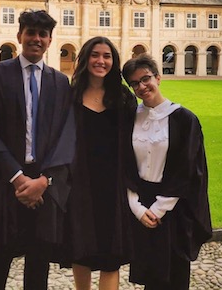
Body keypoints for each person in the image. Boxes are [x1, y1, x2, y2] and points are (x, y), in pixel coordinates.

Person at [0, 9, 75, 290]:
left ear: (49, 40)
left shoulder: (60, 82)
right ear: (19, 35)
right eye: (31, 33)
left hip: (43, 185)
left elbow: (66, 136)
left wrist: (44, 181)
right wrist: (18, 178)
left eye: (42, 34)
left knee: (39, 267)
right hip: (4, 181)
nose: (36, 39)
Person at [121, 54, 212, 290]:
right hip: (142, 205)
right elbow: (125, 165)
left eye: (146, 79)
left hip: (174, 208)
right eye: (134, 83)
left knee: (175, 276)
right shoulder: (130, 118)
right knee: (149, 276)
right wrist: (137, 207)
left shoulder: (184, 119)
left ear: (158, 78)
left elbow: (189, 169)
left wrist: (159, 208)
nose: (141, 86)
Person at [64, 37, 136, 290]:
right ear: (85, 59)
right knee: (80, 249)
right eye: (95, 55)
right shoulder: (70, 97)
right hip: (79, 183)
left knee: (111, 255)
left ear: (113, 62)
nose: (101, 61)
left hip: (113, 184)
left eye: (107, 56)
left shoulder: (124, 97)